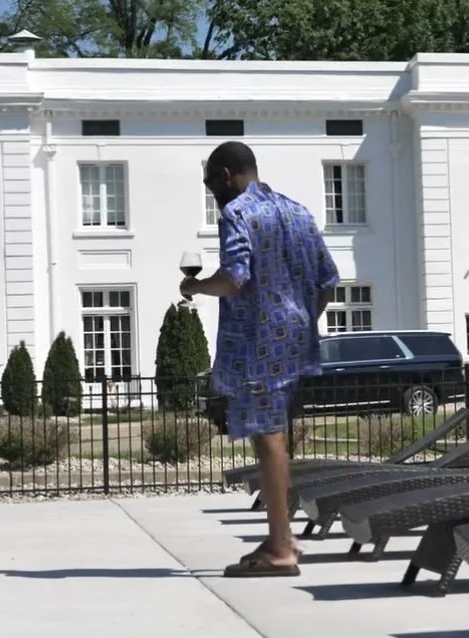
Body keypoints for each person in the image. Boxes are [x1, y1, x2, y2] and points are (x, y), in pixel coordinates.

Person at [180, 141, 339, 577]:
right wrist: (301, 320)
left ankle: (282, 548)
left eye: (211, 182)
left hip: (257, 343)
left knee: (268, 440)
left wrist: (193, 289)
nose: (212, 191)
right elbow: (328, 281)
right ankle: (278, 537)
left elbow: (234, 278)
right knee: (276, 439)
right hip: (295, 340)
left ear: (226, 175)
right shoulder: (298, 211)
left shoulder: (237, 213)